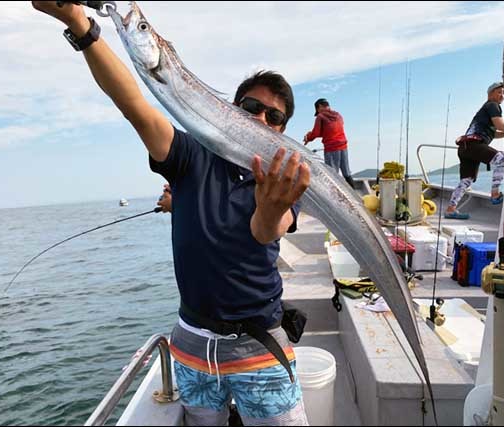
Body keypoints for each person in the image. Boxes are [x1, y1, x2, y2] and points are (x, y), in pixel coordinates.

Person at [32, 2, 310, 425]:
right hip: (193, 344)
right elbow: (135, 107)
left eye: (274, 116)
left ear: (281, 130)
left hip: (258, 348)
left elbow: (267, 230)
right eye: (252, 106)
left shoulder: (283, 178)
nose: (260, 118)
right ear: (231, 108)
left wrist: (271, 209)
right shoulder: (189, 155)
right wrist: (81, 27)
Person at [445, 82, 504, 220]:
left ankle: (450, 209)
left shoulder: (486, 111)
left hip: (466, 147)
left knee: (466, 180)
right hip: (474, 145)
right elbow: (501, 125)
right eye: (499, 92)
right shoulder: (492, 105)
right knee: (502, 159)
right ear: (490, 94)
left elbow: (494, 133)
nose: (502, 95)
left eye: (503, 93)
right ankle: (495, 193)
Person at [303, 98, 355, 188]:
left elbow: (316, 133)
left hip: (332, 149)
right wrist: (311, 135)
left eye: (317, 110)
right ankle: (355, 195)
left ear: (319, 107)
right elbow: (331, 131)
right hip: (343, 147)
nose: (318, 112)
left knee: (332, 176)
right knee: (346, 173)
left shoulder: (320, 116)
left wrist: (308, 137)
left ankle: (336, 200)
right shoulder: (338, 115)